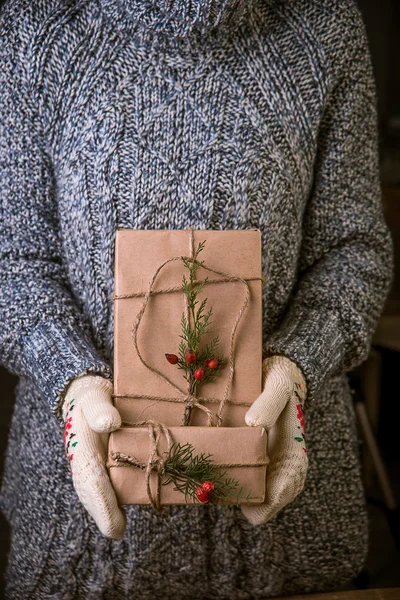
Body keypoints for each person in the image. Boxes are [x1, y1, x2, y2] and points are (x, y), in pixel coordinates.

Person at [0, 0, 394, 597]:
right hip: (74, 542)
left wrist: (299, 365)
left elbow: (354, 247)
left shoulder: (324, 27)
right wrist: (69, 378)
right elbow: (14, 255)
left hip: (291, 545)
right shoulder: (39, 27)